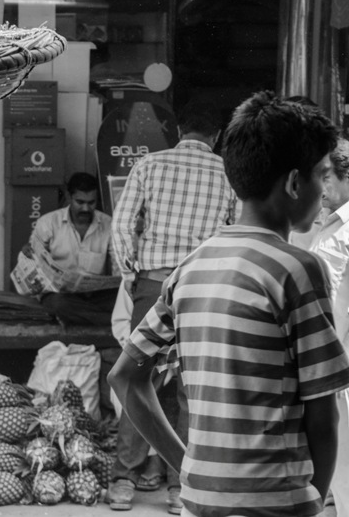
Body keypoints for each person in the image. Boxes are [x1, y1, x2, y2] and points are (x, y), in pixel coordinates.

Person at [109, 90, 349, 517]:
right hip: (277, 504)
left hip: (199, 503)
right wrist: (312, 499)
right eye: (320, 175)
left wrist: (188, 469)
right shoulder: (297, 268)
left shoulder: (190, 266)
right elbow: (324, 414)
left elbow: (125, 377)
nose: (325, 190)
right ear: (295, 183)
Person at [108, 100, 237, 513]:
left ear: (178, 130)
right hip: (207, 283)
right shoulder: (228, 173)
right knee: (191, 388)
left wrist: (131, 272)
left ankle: (124, 480)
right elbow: (235, 231)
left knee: (138, 376)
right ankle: (182, 489)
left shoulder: (150, 165)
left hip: (153, 280)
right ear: (216, 137)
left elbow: (123, 222)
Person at [307, 137, 349, 516]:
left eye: (325, 176)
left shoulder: (342, 233)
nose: (319, 187)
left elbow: (327, 312)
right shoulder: (330, 226)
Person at [22, 171, 118, 327]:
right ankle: (110, 322)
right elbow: (33, 262)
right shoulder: (48, 223)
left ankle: (77, 318)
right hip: (61, 295)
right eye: (80, 202)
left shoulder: (109, 225)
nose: (86, 208)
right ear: (68, 197)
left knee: (123, 299)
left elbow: (117, 267)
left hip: (95, 295)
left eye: (91, 202)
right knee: (57, 304)